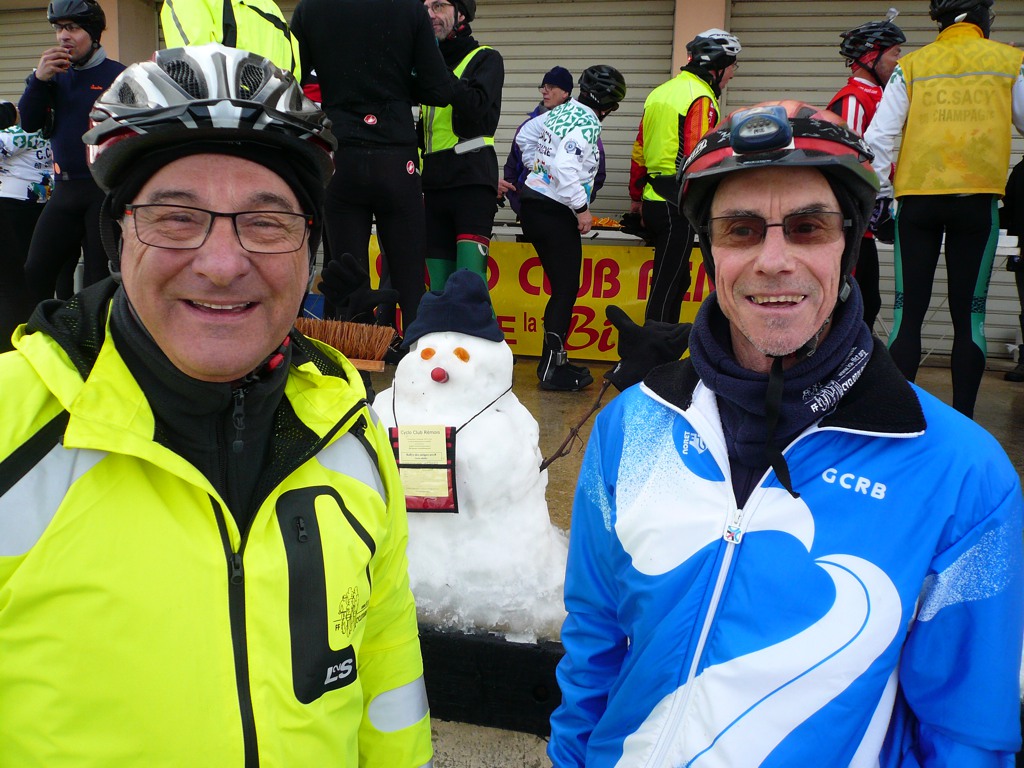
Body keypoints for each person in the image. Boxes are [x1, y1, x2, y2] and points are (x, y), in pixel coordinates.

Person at [549, 101, 1023, 766]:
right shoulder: (632, 425)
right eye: (741, 230)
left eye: (807, 227)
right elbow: (593, 643)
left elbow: (967, 733)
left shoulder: (961, 473)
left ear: (849, 245)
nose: (774, 260)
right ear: (710, 250)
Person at [0, 44, 431, 765]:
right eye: (175, 217)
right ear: (118, 237)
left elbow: (388, 673)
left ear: (310, 252)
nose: (224, 264)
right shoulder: (13, 426)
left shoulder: (349, 429)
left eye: (266, 223)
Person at [864, 0, 1024, 418]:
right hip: (977, 202)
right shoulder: (1009, 62)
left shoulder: (912, 66)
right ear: (980, 18)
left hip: (917, 202)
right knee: (970, 319)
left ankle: (900, 420)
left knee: (907, 316)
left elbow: (878, 138)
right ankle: (964, 420)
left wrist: (881, 197)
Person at [291, 0, 454, 331]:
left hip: (342, 150)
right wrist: (398, 84)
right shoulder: (409, 8)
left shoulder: (310, 8)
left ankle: (350, 362)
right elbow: (439, 89)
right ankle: (417, 356)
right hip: (396, 152)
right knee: (410, 279)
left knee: (346, 279)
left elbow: (292, 80)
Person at [517, 65, 626, 392]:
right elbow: (565, 167)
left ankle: (553, 362)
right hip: (554, 211)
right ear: (608, 106)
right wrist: (582, 209)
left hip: (532, 204)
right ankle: (552, 368)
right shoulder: (588, 122)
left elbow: (525, 136)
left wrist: (536, 169)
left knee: (561, 288)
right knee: (565, 290)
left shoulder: (562, 111)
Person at [630, 28, 741, 324]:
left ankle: (666, 342)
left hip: (653, 199)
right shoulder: (700, 97)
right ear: (717, 66)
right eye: (733, 66)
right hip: (676, 203)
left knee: (678, 281)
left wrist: (636, 197)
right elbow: (698, 156)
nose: (732, 74)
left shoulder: (660, 92)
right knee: (667, 287)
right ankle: (654, 348)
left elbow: (639, 150)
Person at [17, 0, 124, 306]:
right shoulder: (51, 77)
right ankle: (37, 331)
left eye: (73, 28)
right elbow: (29, 123)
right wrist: (38, 82)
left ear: (93, 34)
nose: (63, 36)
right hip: (64, 190)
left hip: (102, 193)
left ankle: (93, 335)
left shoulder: (119, 75)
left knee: (98, 282)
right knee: (35, 272)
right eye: (58, 28)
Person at [828, 11, 905, 332]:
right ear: (871, 56)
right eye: (895, 54)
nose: (899, 62)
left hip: (864, 223)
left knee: (867, 302)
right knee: (855, 304)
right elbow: (847, 163)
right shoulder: (853, 99)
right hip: (852, 223)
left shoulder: (878, 95)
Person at [420, 0, 504, 292]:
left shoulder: (486, 58)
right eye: (425, 8)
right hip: (433, 185)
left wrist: (435, 67)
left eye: (439, 6)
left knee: (469, 285)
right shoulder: (424, 66)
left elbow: (476, 104)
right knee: (438, 289)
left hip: (471, 181)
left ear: (462, 14)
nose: (430, 14)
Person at [499, 66, 606, 219]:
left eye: (551, 87)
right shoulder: (529, 126)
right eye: (543, 87)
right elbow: (512, 166)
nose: (544, 91)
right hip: (529, 206)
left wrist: (579, 204)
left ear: (565, 92)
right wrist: (520, 201)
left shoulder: (582, 126)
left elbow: (596, 172)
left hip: (565, 211)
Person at [0, 102, 52, 353]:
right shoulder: (50, 129)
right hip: (44, 202)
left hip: (12, 203)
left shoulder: (13, 135)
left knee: (13, 277)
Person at [160, 0, 301, 80]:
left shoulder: (187, 2)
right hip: (274, 119)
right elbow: (293, 79)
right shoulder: (272, 8)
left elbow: (195, 71)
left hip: (224, 117)